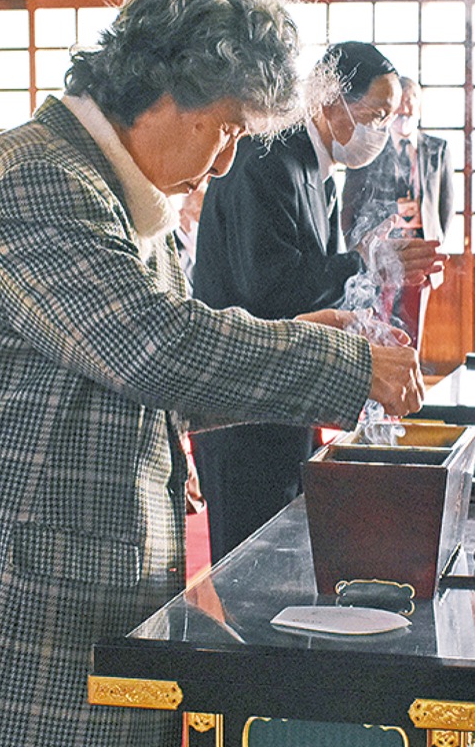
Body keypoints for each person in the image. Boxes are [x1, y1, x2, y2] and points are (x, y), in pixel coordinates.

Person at [0, 0, 424, 747]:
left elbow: (158, 386)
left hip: (76, 589)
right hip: (22, 596)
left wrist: (300, 339)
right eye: (221, 128)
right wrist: (345, 364)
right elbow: (151, 349)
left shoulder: (114, 190)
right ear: (162, 83)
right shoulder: (39, 181)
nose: (222, 164)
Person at [189, 41, 447, 564]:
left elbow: (318, 285)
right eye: (375, 115)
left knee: (289, 546)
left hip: (289, 388)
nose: (381, 131)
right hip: (242, 402)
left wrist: (367, 314)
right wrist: (366, 261)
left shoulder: (318, 169)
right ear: (331, 103)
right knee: (248, 561)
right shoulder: (265, 160)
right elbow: (273, 290)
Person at [341, 76, 455, 351]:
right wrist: (354, 249)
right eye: (399, 108)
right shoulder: (370, 149)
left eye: (410, 106)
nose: (405, 113)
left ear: (419, 108)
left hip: (419, 249)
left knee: (413, 323)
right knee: (378, 320)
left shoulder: (436, 149)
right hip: (381, 250)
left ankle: (410, 367)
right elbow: (350, 203)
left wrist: (434, 243)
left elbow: (446, 205)